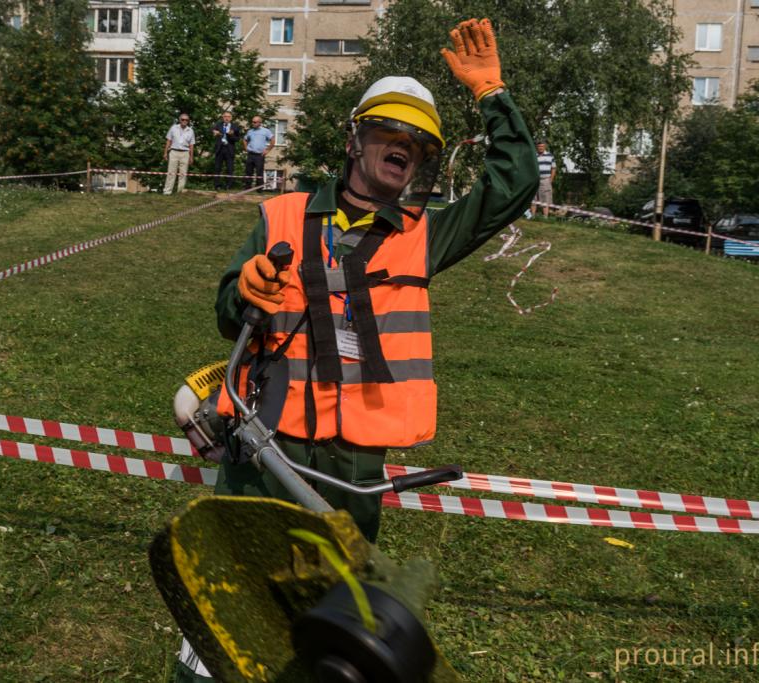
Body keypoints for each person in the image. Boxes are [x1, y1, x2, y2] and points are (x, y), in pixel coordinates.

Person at [172, 17, 538, 683]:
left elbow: (511, 189)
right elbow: (231, 311)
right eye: (388, 132)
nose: (403, 146)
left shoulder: (425, 235)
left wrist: (493, 98)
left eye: (417, 143)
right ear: (354, 138)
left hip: (353, 473)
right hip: (264, 448)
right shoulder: (280, 217)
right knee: (222, 605)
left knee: (318, 621)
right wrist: (243, 291)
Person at [163, 113, 195, 195]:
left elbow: (191, 145)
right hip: (174, 151)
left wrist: (191, 157)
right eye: (183, 119)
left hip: (185, 153)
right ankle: (167, 191)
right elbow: (168, 141)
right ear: (179, 120)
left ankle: (180, 192)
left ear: (188, 121)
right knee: (171, 172)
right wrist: (165, 152)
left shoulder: (190, 130)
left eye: (186, 120)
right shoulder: (173, 128)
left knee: (183, 174)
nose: (184, 121)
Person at [211, 111, 241, 190]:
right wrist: (214, 132)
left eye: (228, 116)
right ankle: (217, 185)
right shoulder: (218, 125)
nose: (226, 118)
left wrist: (231, 135)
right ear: (222, 117)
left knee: (230, 168)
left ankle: (228, 186)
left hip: (229, 149)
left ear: (231, 118)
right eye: (225, 116)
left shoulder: (235, 126)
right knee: (217, 168)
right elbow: (211, 130)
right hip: (220, 149)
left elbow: (237, 139)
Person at [242, 116, 274, 190]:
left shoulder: (266, 131)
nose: (253, 123)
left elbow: (272, 140)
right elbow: (244, 139)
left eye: (255, 122)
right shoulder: (250, 131)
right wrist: (246, 148)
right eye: (252, 122)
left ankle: (259, 188)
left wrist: (267, 150)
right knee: (248, 171)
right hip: (250, 154)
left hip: (259, 155)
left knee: (259, 171)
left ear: (260, 123)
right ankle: (247, 187)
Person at [532, 140, 556, 217]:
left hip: (545, 180)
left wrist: (551, 179)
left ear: (545, 146)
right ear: (537, 147)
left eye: (542, 146)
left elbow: (554, 168)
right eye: (539, 146)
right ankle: (532, 216)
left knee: (545, 199)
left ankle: (545, 217)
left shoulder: (550, 156)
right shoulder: (533, 156)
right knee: (533, 199)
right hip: (535, 180)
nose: (540, 148)